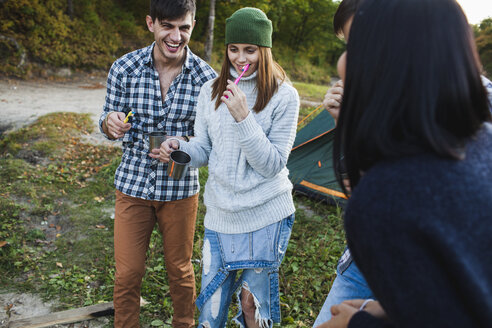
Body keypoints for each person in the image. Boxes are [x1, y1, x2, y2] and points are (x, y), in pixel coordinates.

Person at [322, 0, 492, 326]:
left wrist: (358, 324)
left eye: (359, 45)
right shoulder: (484, 137)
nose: (343, 62)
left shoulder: (385, 199)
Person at [158, 7, 299, 327]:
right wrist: (180, 148)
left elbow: (272, 165)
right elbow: (205, 149)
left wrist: (244, 118)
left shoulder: (284, 97)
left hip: (266, 214)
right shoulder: (211, 92)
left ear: (264, 50)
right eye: (233, 49)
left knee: (253, 305)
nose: (240, 57)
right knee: (212, 307)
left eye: (250, 50)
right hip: (221, 216)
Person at [99, 0, 216, 326]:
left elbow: (212, 143)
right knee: (128, 272)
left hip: (179, 188)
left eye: (184, 28)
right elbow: (108, 120)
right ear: (151, 23)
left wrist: (182, 146)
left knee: (180, 269)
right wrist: (109, 123)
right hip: (133, 184)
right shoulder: (124, 68)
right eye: (168, 26)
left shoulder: (207, 79)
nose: (176, 36)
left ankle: (185, 323)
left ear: (192, 25)